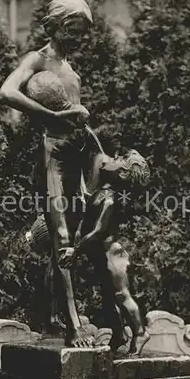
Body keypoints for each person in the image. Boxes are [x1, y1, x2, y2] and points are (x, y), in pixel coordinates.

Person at [0, 0, 97, 348]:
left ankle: (50, 316)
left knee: (68, 240)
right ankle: (72, 325)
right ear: (54, 26)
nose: (78, 39)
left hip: (75, 159)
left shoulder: (72, 72)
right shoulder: (36, 60)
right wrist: (52, 116)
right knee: (63, 237)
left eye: (83, 34)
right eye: (73, 31)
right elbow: (6, 92)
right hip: (51, 156)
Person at [59, 148, 151, 354]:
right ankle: (119, 334)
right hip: (102, 257)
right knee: (109, 298)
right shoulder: (102, 192)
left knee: (121, 295)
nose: (114, 157)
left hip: (112, 256)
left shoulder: (109, 199)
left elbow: (98, 231)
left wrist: (76, 250)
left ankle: (140, 332)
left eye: (119, 160)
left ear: (123, 173)